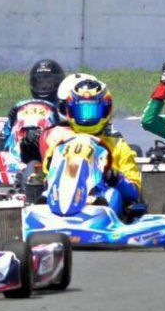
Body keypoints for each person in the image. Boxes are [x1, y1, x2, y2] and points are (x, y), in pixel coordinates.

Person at [50, 78, 141, 217]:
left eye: (92, 110)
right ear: (70, 111)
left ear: (106, 110)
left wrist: (116, 179)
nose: (87, 117)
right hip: (64, 195)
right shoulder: (61, 145)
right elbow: (48, 178)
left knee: (113, 195)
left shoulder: (118, 146)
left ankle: (100, 222)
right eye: (81, 111)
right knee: (44, 196)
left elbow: (134, 191)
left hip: (99, 196)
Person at [0, 58, 65, 156]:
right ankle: (13, 151)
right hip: (19, 146)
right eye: (40, 83)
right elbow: (5, 132)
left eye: (49, 82)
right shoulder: (21, 105)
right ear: (34, 83)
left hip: (51, 149)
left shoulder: (62, 106)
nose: (44, 87)